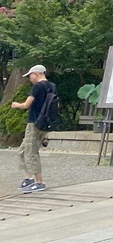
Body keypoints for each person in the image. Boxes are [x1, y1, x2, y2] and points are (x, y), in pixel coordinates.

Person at [12, 64, 54, 193]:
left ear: (36, 73)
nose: (29, 78)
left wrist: (16, 105)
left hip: (34, 123)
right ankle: (28, 178)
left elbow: (26, 105)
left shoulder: (37, 87)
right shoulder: (52, 86)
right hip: (45, 123)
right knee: (23, 150)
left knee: (31, 152)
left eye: (30, 75)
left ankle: (39, 182)